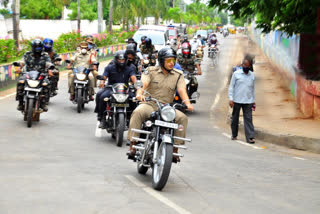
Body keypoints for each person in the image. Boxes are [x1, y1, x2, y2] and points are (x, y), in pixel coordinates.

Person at [127, 47, 194, 162]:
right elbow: (143, 83)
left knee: (182, 118)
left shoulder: (178, 74)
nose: (171, 63)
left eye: (173, 60)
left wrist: (188, 104)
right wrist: (139, 94)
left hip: (167, 108)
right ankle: (133, 144)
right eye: (168, 61)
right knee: (137, 112)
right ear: (162, 61)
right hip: (150, 104)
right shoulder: (150, 71)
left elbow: (182, 89)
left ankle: (175, 149)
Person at [95, 50, 137, 128]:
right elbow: (104, 76)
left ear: (126, 60)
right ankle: (102, 118)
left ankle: (131, 118)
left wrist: (137, 84)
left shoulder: (130, 68)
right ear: (116, 59)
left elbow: (133, 77)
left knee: (134, 99)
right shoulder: (109, 67)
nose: (121, 61)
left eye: (123, 60)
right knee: (101, 97)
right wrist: (102, 82)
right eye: (119, 60)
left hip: (125, 89)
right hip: (111, 88)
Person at [15, 39, 53, 111]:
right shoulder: (27, 54)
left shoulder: (45, 55)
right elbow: (22, 62)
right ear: (33, 47)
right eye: (36, 47)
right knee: (20, 82)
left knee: (47, 84)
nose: (37, 48)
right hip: (28, 75)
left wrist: (50, 70)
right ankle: (20, 103)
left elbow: (48, 63)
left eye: (39, 47)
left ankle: (44, 103)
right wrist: (19, 68)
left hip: (41, 75)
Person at [228, 57, 256, 144]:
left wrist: (253, 100)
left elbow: (253, 89)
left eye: (248, 65)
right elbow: (231, 87)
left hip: (248, 101)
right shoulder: (236, 74)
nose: (246, 67)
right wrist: (231, 99)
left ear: (250, 66)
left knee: (248, 119)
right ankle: (234, 134)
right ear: (242, 65)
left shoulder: (252, 75)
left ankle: (250, 137)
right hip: (237, 100)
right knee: (235, 118)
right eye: (244, 65)